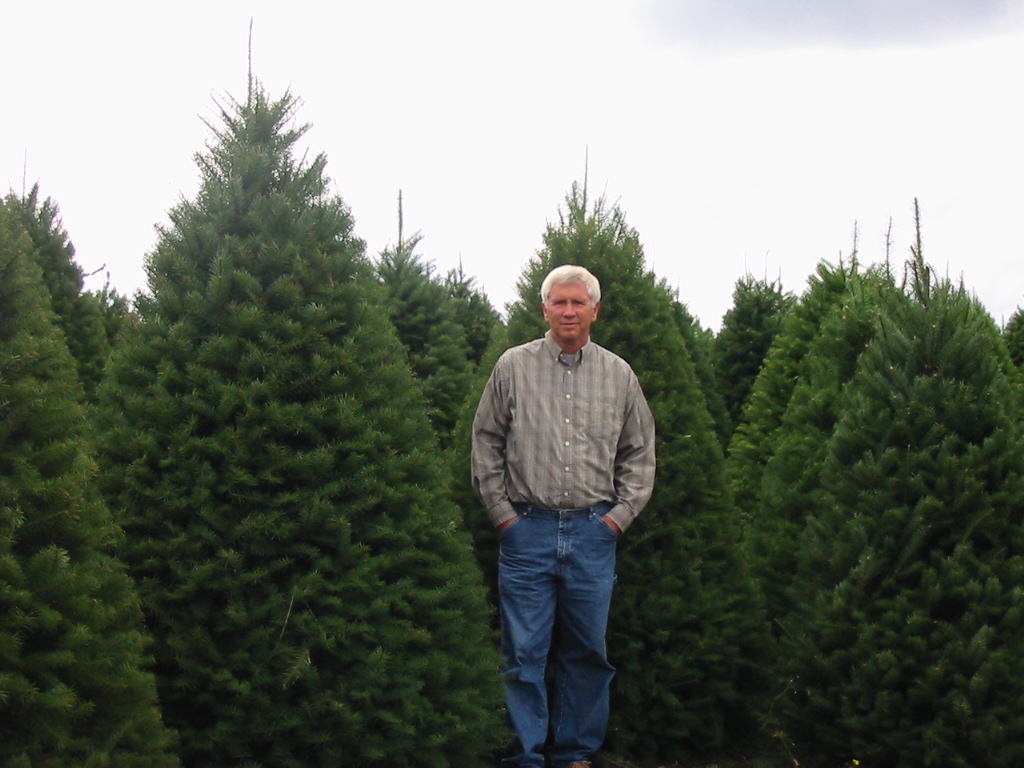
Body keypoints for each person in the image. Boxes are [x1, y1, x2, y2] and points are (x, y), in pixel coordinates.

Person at [472, 264, 656, 768]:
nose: (569, 311)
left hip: (593, 533)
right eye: (560, 302)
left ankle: (576, 753)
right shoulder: (512, 367)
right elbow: (486, 441)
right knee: (523, 653)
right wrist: (503, 516)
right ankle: (526, 756)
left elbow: (640, 454)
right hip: (525, 530)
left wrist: (616, 520)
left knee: (586, 653)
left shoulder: (619, 375)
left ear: (595, 310)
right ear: (544, 309)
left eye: (578, 302)